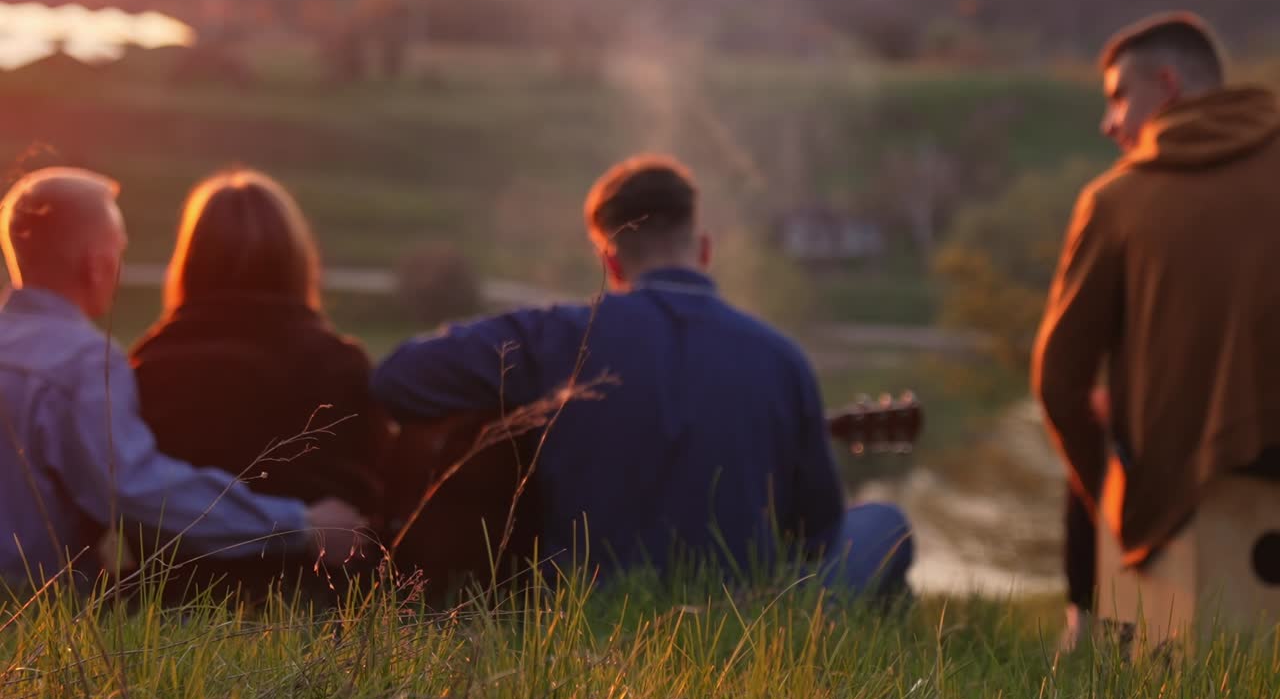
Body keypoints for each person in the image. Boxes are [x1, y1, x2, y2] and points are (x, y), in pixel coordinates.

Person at [373, 154, 912, 592]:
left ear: (610, 261)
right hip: (740, 609)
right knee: (882, 522)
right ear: (702, 250)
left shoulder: (557, 336)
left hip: (581, 595)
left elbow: (398, 377)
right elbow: (816, 534)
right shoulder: (782, 357)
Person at [1032, 12, 1280, 647]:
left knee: (1091, 415)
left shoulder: (1116, 202)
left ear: (1166, 85)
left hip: (1177, 490)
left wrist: (1105, 501)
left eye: (1118, 96)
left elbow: (1058, 380)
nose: (1109, 122)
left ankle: (1089, 632)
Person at [0, 167, 366, 592]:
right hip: (26, 601)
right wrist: (298, 525)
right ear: (97, 265)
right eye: (119, 250)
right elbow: (135, 492)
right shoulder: (83, 363)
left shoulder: (133, 360)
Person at [130, 169, 387, 600]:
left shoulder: (149, 366)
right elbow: (374, 493)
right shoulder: (343, 363)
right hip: (325, 594)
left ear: (190, 261)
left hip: (178, 593)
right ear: (297, 261)